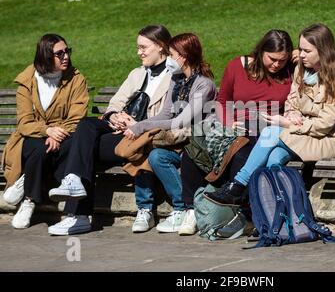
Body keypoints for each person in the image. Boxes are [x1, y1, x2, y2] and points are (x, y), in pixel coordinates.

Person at [204, 23, 335, 207]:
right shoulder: (301, 69)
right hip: (301, 134)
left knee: (269, 133)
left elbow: (325, 124)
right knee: (274, 158)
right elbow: (291, 100)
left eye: (306, 51)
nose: (300, 54)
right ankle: (268, 211)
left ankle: (237, 186)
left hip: (326, 138)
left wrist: (290, 124)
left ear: (322, 50)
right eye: (301, 49)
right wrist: (291, 115)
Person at [47, 25, 173, 235]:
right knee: (86, 125)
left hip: (141, 136)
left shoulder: (173, 76)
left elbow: (168, 116)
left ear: (161, 47)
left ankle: (77, 215)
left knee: (76, 146)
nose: (139, 52)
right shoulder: (137, 73)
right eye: (137, 47)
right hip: (119, 130)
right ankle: (74, 185)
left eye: (143, 47)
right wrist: (114, 116)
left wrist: (136, 124)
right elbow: (116, 103)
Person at [178, 29, 294, 235]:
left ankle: (244, 213)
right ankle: (190, 209)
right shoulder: (237, 66)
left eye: (282, 60)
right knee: (192, 149)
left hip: (268, 128)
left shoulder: (290, 72)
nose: (277, 65)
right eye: (272, 59)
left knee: (243, 151)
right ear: (260, 51)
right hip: (234, 126)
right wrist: (230, 123)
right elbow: (222, 101)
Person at [123, 33, 217, 234]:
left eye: (172, 54)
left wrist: (140, 127)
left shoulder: (204, 84)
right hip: (178, 142)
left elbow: (181, 121)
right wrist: (139, 125)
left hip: (198, 143)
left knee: (152, 150)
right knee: (153, 154)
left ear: (183, 56)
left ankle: (182, 207)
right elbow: (166, 112)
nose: (169, 59)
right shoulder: (176, 79)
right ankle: (170, 208)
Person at [1, 33, 89, 230]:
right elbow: (24, 122)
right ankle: (29, 198)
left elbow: (77, 116)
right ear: (45, 55)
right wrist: (47, 130)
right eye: (59, 53)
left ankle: (28, 197)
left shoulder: (76, 79)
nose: (65, 56)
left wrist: (58, 133)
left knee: (59, 148)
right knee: (39, 149)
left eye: (67, 51)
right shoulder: (28, 80)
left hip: (64, 135)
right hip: (31, 135)